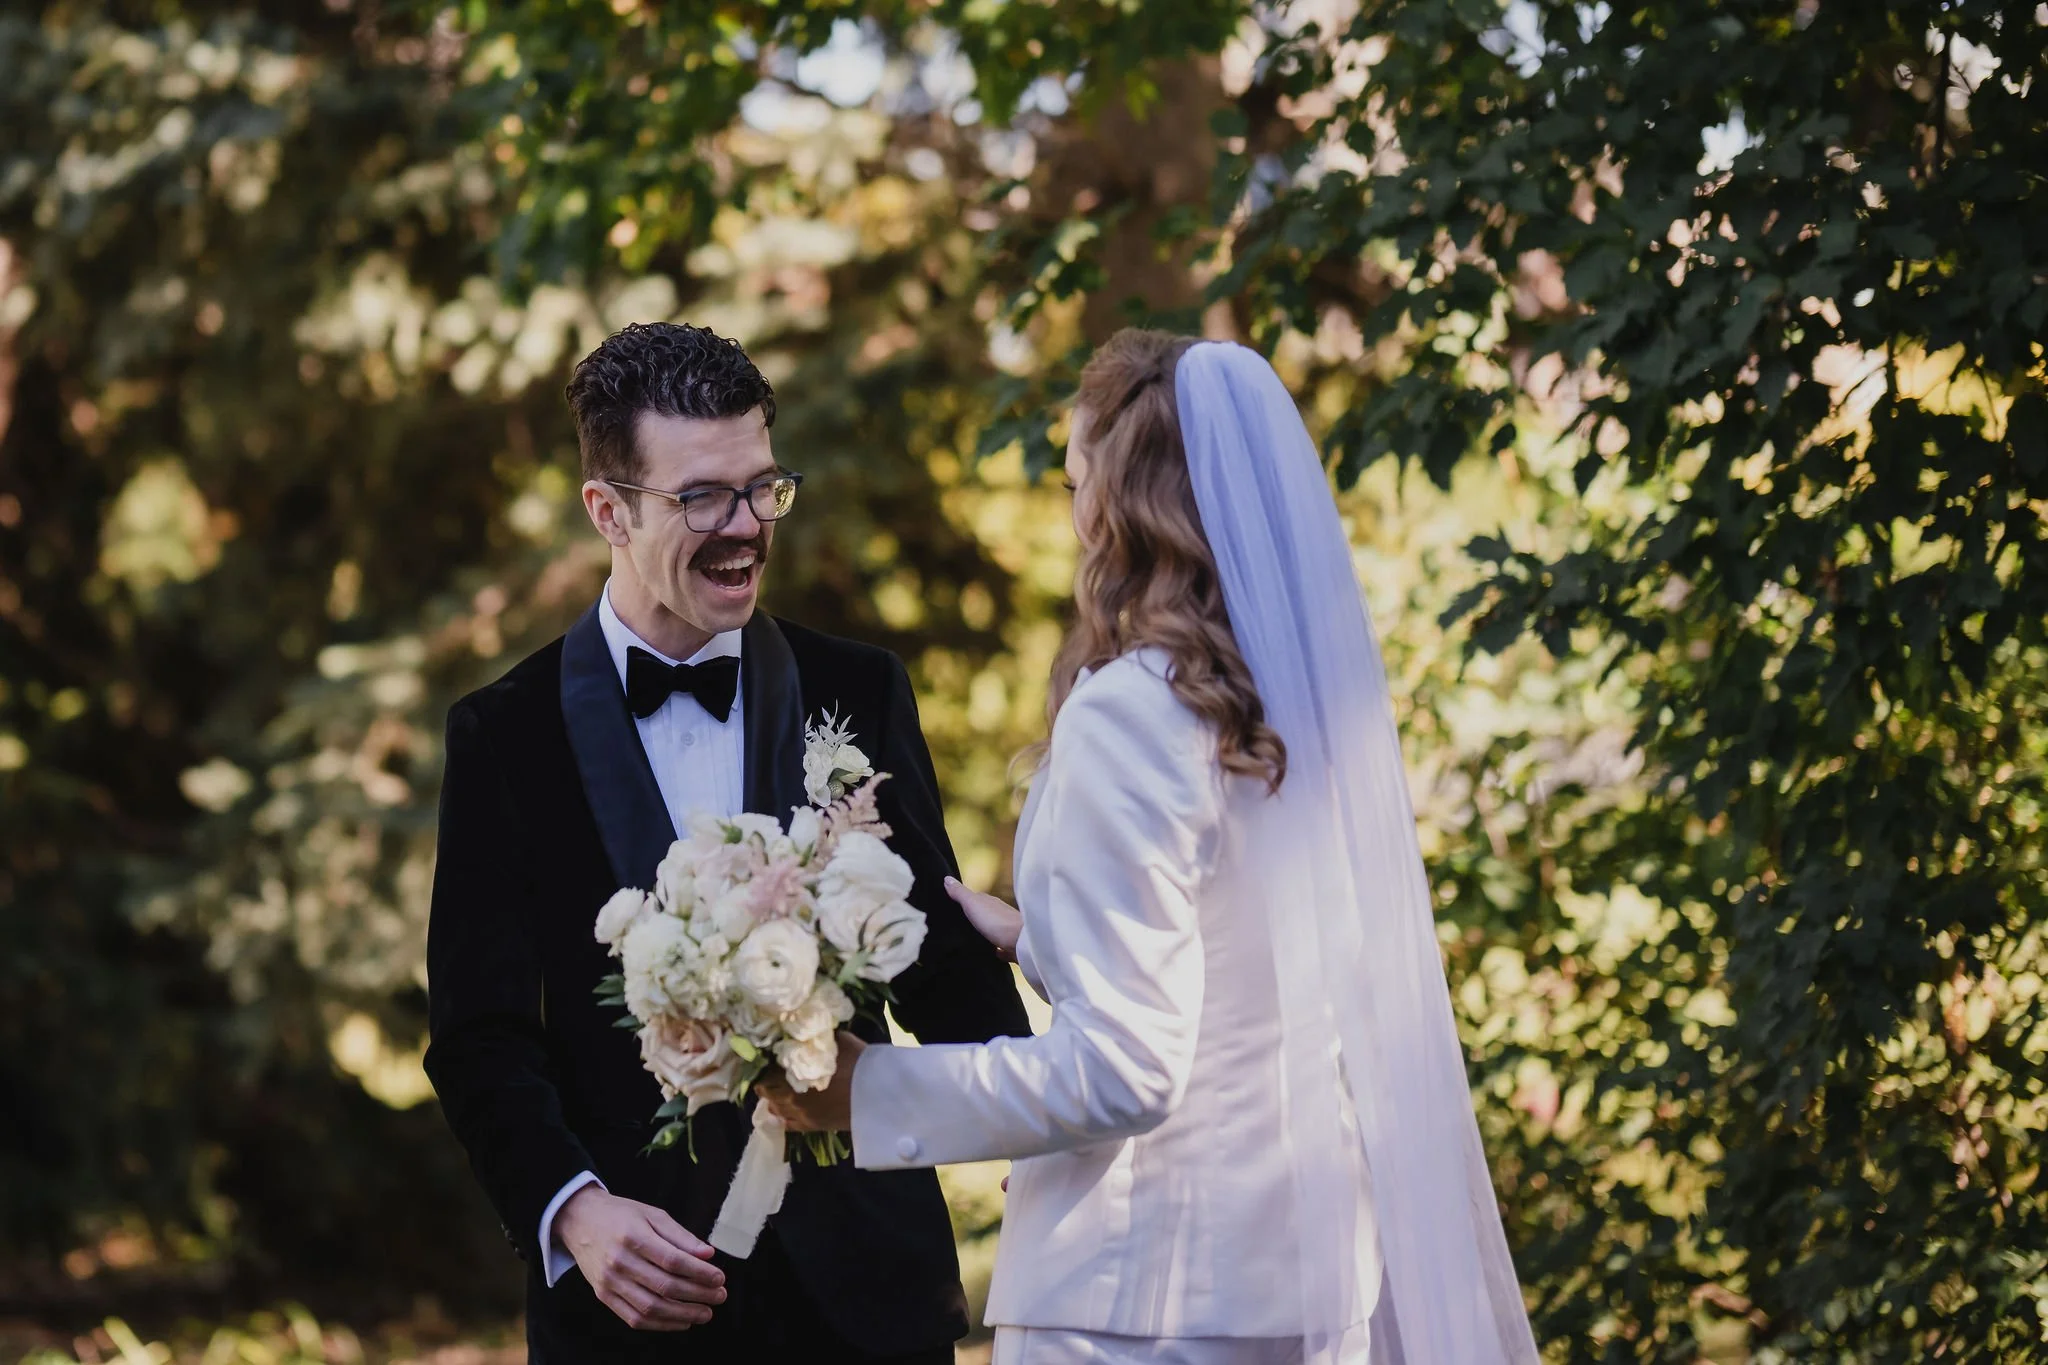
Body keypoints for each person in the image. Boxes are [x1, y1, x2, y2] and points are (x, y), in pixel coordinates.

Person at [765, 331, 1541, 1365]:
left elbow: (1126, 1074)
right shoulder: (1290, 713)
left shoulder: (1131, 714)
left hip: (1137, 1307)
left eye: (1077, 476)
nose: (1071, 507)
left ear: (1123, 505)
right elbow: (1241, 962)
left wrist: (865, 1089)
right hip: (1302, 1290)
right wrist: (1038, 941)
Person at [423, 321, 1030, 1365]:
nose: (744, 526)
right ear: (606, 510)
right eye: (700, 496)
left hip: (865, 1296)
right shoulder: (503, 733)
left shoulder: (859, 691)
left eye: (762, 487)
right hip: (636, 1304)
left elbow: (936, 964)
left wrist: (1045, 1131)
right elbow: (480, 1037)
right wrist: (575, 1213)